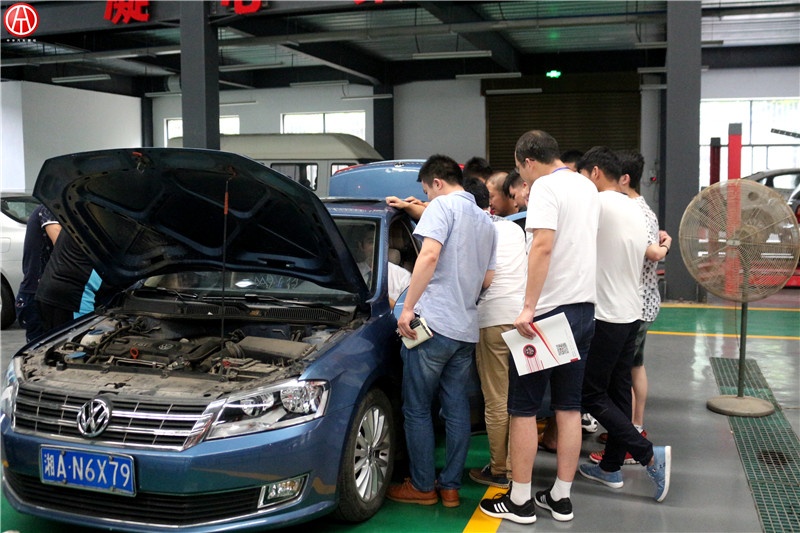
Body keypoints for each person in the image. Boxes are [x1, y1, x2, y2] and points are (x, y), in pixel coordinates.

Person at [480, 130, 599, 524]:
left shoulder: (547, 187)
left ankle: (519, 501)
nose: (522, 182)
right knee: (568, 407)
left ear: (529, 161)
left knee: (523, 409)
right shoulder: (585, 186)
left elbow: (544, 246)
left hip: (548, 315)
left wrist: (528, 308)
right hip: (583, 310)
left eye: (519, 171)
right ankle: (561, 498)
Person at [386, 155, 497, 509]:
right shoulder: (485, 220)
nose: (427, 196)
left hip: (432, 327)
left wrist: (406, 308)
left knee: (417, 408)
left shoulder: (441, 207)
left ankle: (422, 486)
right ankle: (450, 486)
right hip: (465, 330)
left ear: (436, 182)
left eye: (425, 190)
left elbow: (429, 255)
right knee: (457, 409)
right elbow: (488, 279)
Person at [575, 147, 671, 503]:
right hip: (631, 312)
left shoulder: (598, 205)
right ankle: (610, 466)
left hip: (607, 316)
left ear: (596, 173)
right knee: (617, 391)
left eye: (583, 177)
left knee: (589, 394)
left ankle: (646, 453)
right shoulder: (635, 208)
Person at [461, 178, 527, 490]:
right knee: (520, 400)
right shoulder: (513, 229)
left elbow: (480, 282)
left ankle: (500, 470)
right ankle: (518, 468)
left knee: (497, 400)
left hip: (493, 321)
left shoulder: (473, 232)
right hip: (524, 320)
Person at [36, 230, 117, 333]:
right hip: (76, 296)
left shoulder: (84, 216)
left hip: (49, 288)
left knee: (57, 344)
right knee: (80, 345)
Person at [16, 204, 61, 342]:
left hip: (46, 293)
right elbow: (60, 243)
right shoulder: (48, 209)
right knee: (40, 351)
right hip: (37, 295)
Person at [355, 225, 411, 309]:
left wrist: (380, 297)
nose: (376, 247)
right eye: (371, 242)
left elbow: (407, 312)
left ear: (386, 245)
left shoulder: (403, 276)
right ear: (361, 246)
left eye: (380, 242)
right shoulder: (352, 272)